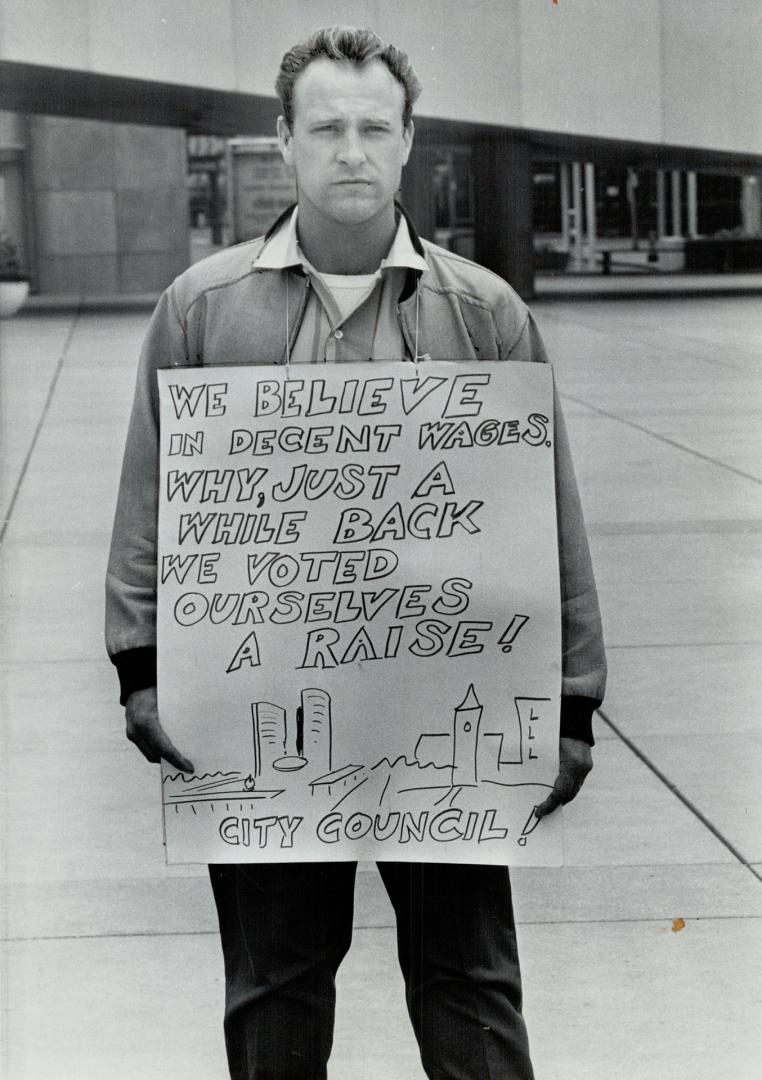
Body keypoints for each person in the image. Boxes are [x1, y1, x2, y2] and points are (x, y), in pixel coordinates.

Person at [106, 25, 606, 1080]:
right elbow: (152, 495)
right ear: (282, 142)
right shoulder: (201, 309)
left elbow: (547, 513)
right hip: (258, 712)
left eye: (374, 127)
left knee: (469, 985)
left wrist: (568, 705)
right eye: (325, 127)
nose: (350, 151)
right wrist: (141, 668)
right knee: (276, 991)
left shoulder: (486, 312)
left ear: (409, 140)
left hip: (445, 711)